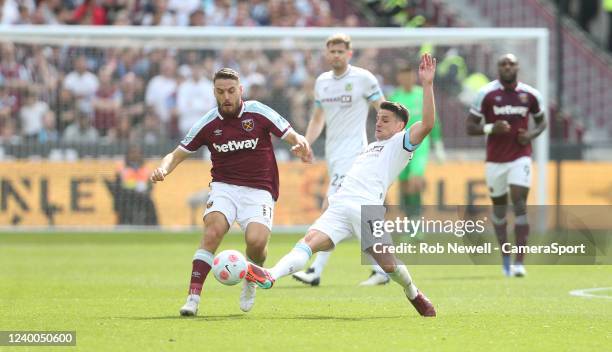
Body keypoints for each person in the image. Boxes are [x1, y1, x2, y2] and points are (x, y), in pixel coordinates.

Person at [245, 54, 438, 317]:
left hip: (366, 208)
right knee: (309, 241)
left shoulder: (401, 144)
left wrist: (427, 85)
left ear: (400, 126)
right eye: (378, 118)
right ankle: (270, 275)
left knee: (389, 266)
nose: (378, 123)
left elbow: (427, 124)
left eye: (386, 120)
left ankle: (413, 293)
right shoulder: (369, 148)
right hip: (341, 204)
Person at [150, 68, 312, 317]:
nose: (226, 96)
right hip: (224, 187)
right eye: (220, 91)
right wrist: (163, 168)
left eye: (231, 91)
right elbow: (177, 153)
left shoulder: (257, 111)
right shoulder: (208, 123)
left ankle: (250, 279)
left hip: (260, 189)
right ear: (214, 92)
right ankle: (193, 298)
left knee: (256, 244)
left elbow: (290, 133)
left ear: (241, 90)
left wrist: (300, 144)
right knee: (212, 233)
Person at [291, 33, 386, 287]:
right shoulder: (322, 82)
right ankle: (382, 268)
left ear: (349, 54)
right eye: (332, 51)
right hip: (334, 155)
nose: (336, 55)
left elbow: (383, 109)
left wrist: (389, 141)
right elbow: (318, 116)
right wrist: (307, 142)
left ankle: (315, 270)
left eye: (340, 51)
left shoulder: (363, 79)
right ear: (326, 53)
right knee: (353, 215)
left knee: (331, 210)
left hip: (355, 154)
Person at [352, 63, 446, 286]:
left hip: (418, 146)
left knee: (414, 183)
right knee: (404, 188)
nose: (405, 78)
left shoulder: (418, 93)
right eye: (402, 74)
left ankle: (416, 226)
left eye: (408, 74)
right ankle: (409, 224)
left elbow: (432, 121)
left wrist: (438, 143)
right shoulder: (394, 97)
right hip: (396, 150)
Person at [466, 54, 547, 277]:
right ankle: (506, 258)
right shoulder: (486, 94)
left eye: (511, 63)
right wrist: (491, 128)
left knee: (519, 202)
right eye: (503, 63)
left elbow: (542, 123)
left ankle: (520, 262)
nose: (508, 66)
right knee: (500, 210)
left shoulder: (530, 95)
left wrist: (529, 135)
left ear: (518, 67)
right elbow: (470, 126)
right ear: (498, 68)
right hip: (495, 161)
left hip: (520, 157)